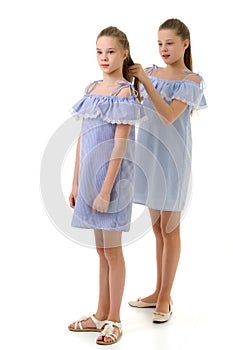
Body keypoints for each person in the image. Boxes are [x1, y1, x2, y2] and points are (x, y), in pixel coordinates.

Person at [68, 26, 144, 345]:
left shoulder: (124, 92)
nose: (104, 57)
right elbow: (83, 140)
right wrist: (76, 183)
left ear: (123, 53)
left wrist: (104, 191)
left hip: (111, 184)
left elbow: (119, 147)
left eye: (110, 52)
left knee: (112, 251)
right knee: (100, 250)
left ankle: (114, 319)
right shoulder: (91, 88)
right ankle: (100, 313)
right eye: (99, 51)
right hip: (89, 181)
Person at [128, 18, 207, 323]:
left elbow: (169, 116)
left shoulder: (192, 81)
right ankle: (158, 290)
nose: (163, 49)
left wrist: (146, 83)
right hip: (148, 158)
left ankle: (165, 296)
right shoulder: (150, 72)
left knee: (170, 229)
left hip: (172, 160)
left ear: (185, 43)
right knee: (158, 229)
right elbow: (137, 107)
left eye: (170, 43)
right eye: (160, 43)